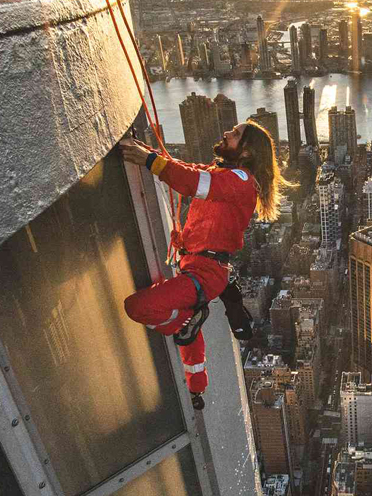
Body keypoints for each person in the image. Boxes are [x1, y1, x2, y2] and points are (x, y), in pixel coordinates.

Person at [120, 122, 291, 410]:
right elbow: (183, 168)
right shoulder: (222, 172)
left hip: (205, 273)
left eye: (234, 135)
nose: (226, 133)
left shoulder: (240, 179)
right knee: (187, 328)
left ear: (246, 152)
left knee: (137, 307)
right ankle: (196, 380)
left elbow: (192, 182)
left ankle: (185, 321)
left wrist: (148, 159)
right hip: (194, 265)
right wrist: (144, 150)